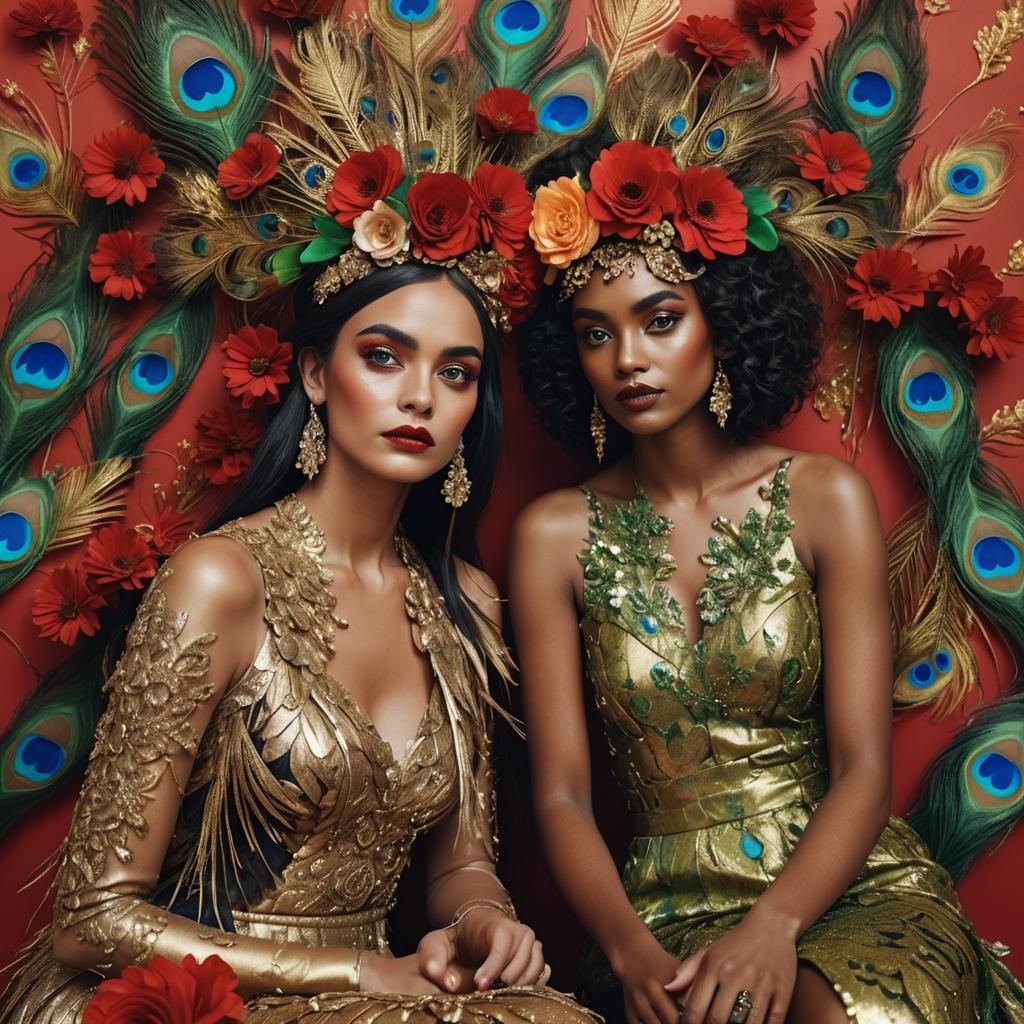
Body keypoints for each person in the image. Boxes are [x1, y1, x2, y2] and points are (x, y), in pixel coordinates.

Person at [509, 133, 1024, 1024]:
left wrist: (776, 924)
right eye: (597, 335)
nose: (628, 358)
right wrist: (629, 953)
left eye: (660, 319)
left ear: (722, 317)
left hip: (844, 888)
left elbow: (864, 767)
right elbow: (558, 794)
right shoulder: (552, 534)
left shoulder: (825, 498)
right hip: (656, 912)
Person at [1, 262, 594, 1024]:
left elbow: (463, 863)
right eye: (384, 356)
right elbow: (91, 921)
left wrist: (483, 922)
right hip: (186, 994)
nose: (420, 396)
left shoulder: (468, 603)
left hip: (379, 994)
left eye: (456, 373)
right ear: (315, 374)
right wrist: (360, 972)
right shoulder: (220, 582)